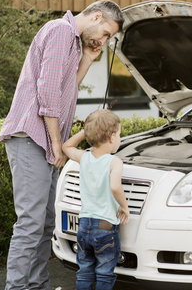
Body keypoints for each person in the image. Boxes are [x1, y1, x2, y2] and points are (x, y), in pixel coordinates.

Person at [0, 0, 124, 290]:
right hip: (31, 138)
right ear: (95, 16)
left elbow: (66, 88)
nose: (103, 41)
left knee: (44, 223)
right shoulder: (58, 32)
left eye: (108, 39)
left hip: (43, 140)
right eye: (105, 33)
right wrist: (57, 143)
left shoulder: (74, 44)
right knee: (30, 223)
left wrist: (88, 60)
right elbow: (48, 95)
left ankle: (37, 285)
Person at [62, 109, 129, 290]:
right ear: (111, 137)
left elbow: (66, 147)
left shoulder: (84, 158)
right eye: (120, 135)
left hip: (84, 224)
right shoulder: (114, 162)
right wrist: (124, 207)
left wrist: (87, 132)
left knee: (84, 270)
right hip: (105, 226)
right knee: (104, 272)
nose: (120, 139)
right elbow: (115, 187)